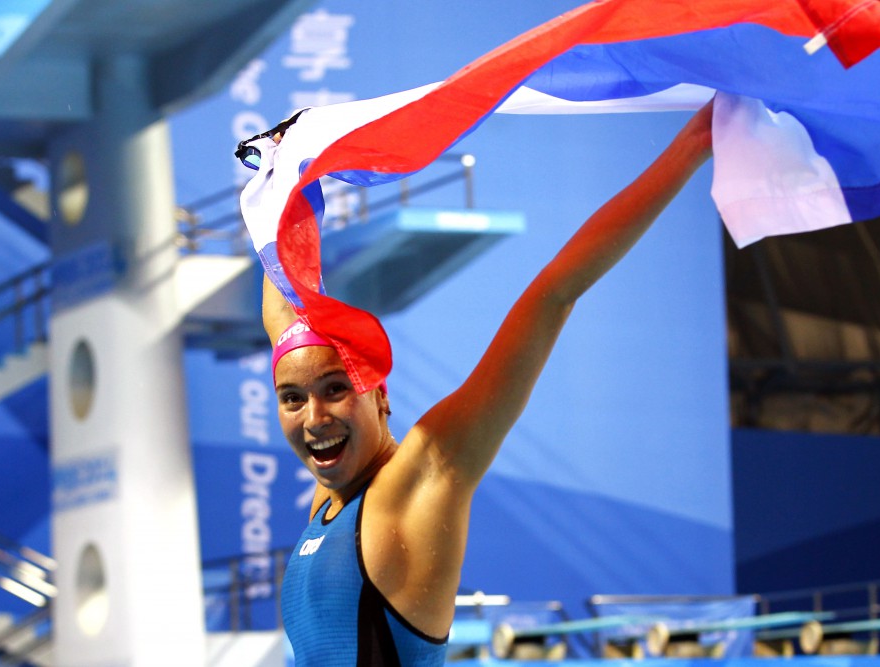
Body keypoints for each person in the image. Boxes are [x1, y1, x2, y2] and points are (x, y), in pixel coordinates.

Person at [261, 102, 714, 666]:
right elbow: (285, 302)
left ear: (380, 394)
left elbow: (554, 293)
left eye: (335, 390)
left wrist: (692, 145)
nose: (314, 418)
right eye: (292, 399)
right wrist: (287, 178)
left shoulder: (422, 476)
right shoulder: (330, 492)